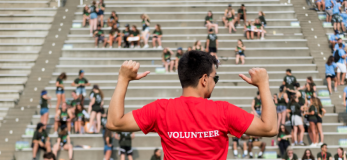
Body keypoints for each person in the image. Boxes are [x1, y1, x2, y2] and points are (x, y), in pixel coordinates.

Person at [106, 51, 278, 159]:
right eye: (214, 78)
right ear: (204, 79)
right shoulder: (223, 111)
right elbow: (269, 128)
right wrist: (263, 85)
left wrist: (123, 79)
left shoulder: (161, 110)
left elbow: (114, 123)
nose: (215, 82)